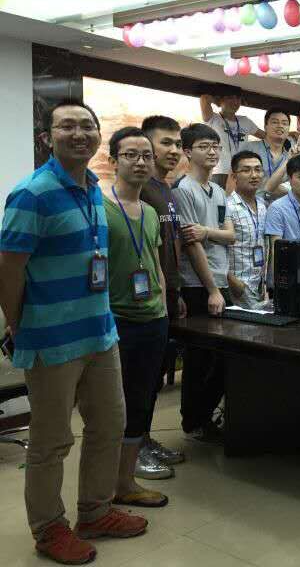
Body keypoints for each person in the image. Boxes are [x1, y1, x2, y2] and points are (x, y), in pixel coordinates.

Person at [0, 100, 146, 565]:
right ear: (48, 137)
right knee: (52, 441)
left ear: (99, 135)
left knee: (109, 425)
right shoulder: (32, 194)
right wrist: (19, 326)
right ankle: (48, 528)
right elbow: (9, 269)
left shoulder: (92, 187)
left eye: (87, 126)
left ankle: (96, 512)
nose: (79, 134)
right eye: (67, 126)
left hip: (100, 333)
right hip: (51, 338)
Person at [103, 127, 170, 508]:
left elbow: (155, 262)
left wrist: (162, 303)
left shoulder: (149, 211)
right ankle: (105, 485)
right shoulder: (100, 207)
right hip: (115, 321)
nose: (141, 162)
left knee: (142, 401)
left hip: (153, 318)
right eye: (131, 155)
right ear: (114, 160)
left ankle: (125, 482)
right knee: (114, 407)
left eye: (146, 155)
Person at [173, 123, 235, 442]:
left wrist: (209, 231)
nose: (212, 151)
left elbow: (230, 235)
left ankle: (206, 416)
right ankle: (193, 422)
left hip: (220, 280)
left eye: (215, 146)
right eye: (203, 146)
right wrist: (212, 290)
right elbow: (191, 243)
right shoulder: (183, 190)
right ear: (187, 151)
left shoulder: (219, 190)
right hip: (199, 285)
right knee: (199, 359)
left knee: (222, 357)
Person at [139, 115, 187, 475]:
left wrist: (177, 290)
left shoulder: (165, 189)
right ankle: (134, 447)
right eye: (166, 142)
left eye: (177, 144)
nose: (174, 150)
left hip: (169, 293)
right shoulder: (141, 188)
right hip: (144, 300)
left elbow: (170, 245)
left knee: (153, 377)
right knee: (140, 379)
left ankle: (144, 438)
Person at [226, 151, 269, 310]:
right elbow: (214, 250)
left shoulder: (263, 205)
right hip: (237, 287)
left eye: (258, 169)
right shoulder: (227, 206)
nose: (254, 175)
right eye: (246, 170)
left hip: (260, 285)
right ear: (234, 176)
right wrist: (233, 282)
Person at [200, 87, 265, 190]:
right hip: (221, 172)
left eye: (238, 98)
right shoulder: (213, 118)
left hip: (242, 172)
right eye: (230, 97)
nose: (235, 101)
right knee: (219, 199)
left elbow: (267, 137)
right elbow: (204, 98)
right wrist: (217, 101)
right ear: (221, 99)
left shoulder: (245, 121)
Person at [244, 107, 294, 203]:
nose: (280, 126)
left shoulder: (291, 158)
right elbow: (233, 180)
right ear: (265, 126)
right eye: (275, 122)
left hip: (279, 210)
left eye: (284, 123)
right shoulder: (250, 148)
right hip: (250, 206)